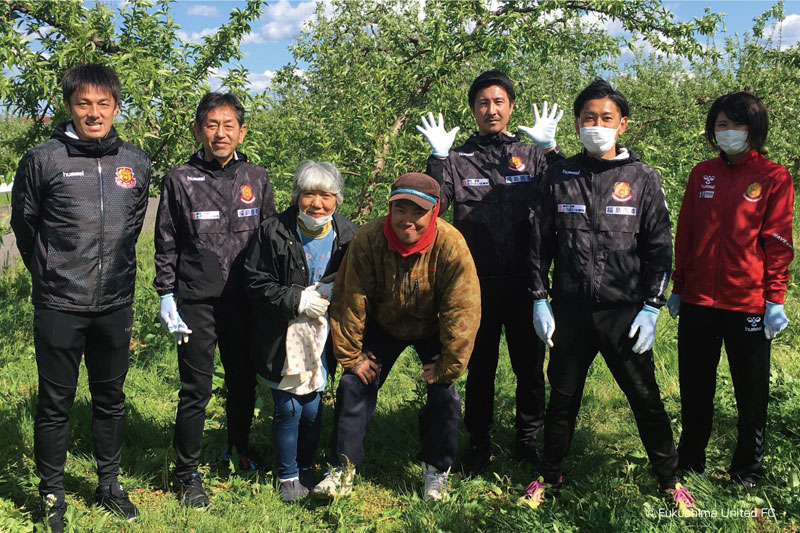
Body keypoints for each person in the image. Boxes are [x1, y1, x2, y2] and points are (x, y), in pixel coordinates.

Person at [523, 79, 695, 512]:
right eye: (588, 118)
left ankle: (670, 482)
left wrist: (652, 306)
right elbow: (540, 242)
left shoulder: (643, 178)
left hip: (624, 312)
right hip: (569, 310)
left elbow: (659, 249)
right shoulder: (559, 175)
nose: (596, 125)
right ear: (577, 123)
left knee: (645, 398)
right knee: (561, 401)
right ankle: (550, 477)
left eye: (606, 118)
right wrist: (539, 298)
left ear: (622, 124)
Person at [11, 64, 151, 531]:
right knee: (56, 401)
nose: (94, 113)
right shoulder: (43, 159)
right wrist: (51, 273)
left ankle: (108, 484)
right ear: (69, 106)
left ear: (115, 106)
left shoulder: (135, 162)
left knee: (111, 398)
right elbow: (25, 226)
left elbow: (132, 227)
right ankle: (51, 491)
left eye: (103, 103)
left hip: (115, 302)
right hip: (59, 304)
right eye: (84, 103)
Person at [417, 70, 565, 475]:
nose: (491, 109)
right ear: (474, 110)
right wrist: (438, 158)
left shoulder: (531, 154)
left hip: (526, 284)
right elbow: (434, 206)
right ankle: (479, 441)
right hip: (475, 284)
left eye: (499, 102)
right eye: (483, 103)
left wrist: (551, 149)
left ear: (511, 107)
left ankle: (527, 439)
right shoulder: (460, 157)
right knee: (480, 369)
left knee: (530, 369)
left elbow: (569, 192)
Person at [311, 172, 481, 501]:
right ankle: (343, 469)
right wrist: (352, 356)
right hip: (384, 324)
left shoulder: (451, 245)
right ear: (389, 208)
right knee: (353, 384)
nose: (407, 219)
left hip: (432, 326)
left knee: (444, 393)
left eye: (417, 211)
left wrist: (448, 364)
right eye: (399, 209)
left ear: (434, 211)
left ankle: (436, 470)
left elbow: (463, 310)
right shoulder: (370, 238)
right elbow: (350, 297)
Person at [153, 92, 275, 507]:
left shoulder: (256, 178)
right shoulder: (180, 179)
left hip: (245, 301)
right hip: (195, 302)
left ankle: (238, 448)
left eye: (228, 126)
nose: (220, 134)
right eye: (211, 125)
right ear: (198, 129)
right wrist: (166, 294)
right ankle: (187, 472)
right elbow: (166, 242)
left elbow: (272, 238)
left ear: (242, 131)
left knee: (243, 381)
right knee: (196, 388)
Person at [668, 92, 794, 491]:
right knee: (695, 388)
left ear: (754, 130)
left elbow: (777, 242)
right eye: (721, 125)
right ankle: (690, 464)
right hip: (699, 302)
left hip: (748, 304)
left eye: (737, 125)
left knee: (751, 393)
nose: (729, 133)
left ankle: (747, 473)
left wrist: (775, 299)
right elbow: (685, 233)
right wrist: (678, 286)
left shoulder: (774, 177)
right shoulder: (701, 174)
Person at [244, 161, 359, 502]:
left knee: (312, 406)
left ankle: (306, 466)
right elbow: (255, 282)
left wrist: (334, 292)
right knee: (289, 406)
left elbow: (360, 282)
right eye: (309, 194)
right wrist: (296, 300)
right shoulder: (273, 232)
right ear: (297, 197)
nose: (317, 204)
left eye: (326, 195)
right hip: (282, 333)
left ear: (337, 198)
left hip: (324, 335)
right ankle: (287, 474)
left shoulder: (349, 236)